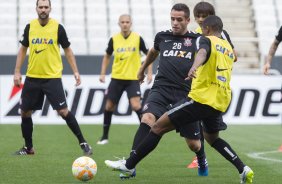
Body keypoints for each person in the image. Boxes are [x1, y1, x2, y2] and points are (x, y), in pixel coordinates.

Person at [105, 15, 254, 184]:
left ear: (207, 29)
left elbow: (203, 52)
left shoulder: (205, 40)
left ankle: (129, 165)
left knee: (157, 127)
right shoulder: (227, 47)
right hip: (220, 101)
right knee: (213, 139)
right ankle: (243, 169)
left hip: (200, 99)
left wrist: (195, 66)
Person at [106, 3, 208, 179]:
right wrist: (142, 68)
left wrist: (198, 68)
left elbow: (204, 53)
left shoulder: (196, 39)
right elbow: (153, 51)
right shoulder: (162, 36)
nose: (175, 23)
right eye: (172, 19)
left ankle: (201, 157)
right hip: (160, 89)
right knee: (147, 118)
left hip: (185, 94)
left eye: (179, 19)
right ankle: (130, 165)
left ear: (188, 20)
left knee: (194, 145)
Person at [13, 0, 92, 155]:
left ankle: (83, 142)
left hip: (52, 78)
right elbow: (23, 49)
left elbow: (68, 50)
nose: (43, 9)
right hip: (32, 77)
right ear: (36, 8)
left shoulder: (58, 28)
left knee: (63, 111)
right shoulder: (30, 27)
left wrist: (75, 71)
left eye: (46, 7)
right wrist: (17, 71)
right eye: (40, 7)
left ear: (50, 9)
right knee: (25, 112)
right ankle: (29, 148)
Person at [187, 1, 238, 168]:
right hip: (197, 81)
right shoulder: (194, 33)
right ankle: (200, 156)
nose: (201, 19)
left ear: (211, 18)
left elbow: (234, 54)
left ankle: (200, 157)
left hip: (214, 85)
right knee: (198, 123)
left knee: (206, 127)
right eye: (198, 16)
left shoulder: (222, 34)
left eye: (205, 16)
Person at [97, 14, 151, 145]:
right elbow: (107, 56)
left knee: (136, 105)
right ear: (119, 24)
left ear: (131, 23)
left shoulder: (137, 38)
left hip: (132, 78)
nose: (125, 24)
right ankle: (104, 136)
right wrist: (103, 73)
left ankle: (147, 135)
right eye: (122, 22)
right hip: (116, 78)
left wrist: (149, 73)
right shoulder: (114, 39)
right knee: (109, 106)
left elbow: (149, 54)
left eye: (127, 22)